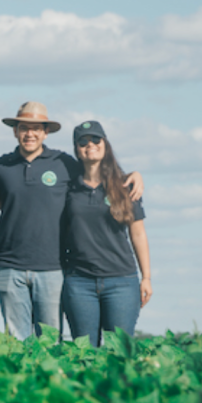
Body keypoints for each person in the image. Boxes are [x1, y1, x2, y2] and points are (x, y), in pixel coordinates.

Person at [0, 102, 143, 340]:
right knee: (16, 343)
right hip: (9, 265)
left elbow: (98, 170)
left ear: (46, 132)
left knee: (50, 341)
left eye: (37, 128)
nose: (30, 133)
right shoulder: (1, 166)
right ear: (15, 131)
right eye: (24, 128)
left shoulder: (64, 164)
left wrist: (132, 175)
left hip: (53, 267)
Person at [62, 121, 152, 345]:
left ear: (105, 144)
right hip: (79, 282)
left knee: (119, 352)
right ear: (76, 149)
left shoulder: (126, 185)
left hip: (121, 281)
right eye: (83, 142)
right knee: (84, 353)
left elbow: (138, 234)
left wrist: (146, 277)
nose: (89, 145)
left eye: (95, 140)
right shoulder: (67, 187)